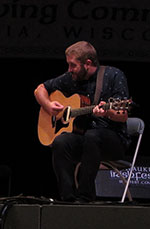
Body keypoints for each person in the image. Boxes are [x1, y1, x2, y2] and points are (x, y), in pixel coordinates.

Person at [34, 41, 130, 202]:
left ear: (88, 63)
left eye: (73, 65)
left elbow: (123, 115)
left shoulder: (113, 75)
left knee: (93, 136)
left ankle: (85, 196)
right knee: (61, 141)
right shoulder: (71, 78)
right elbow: (39, 90)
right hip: (85, 141)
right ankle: (67, 197)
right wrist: (49, 105)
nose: (69, 69)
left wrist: (107, 113)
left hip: (112, 141)